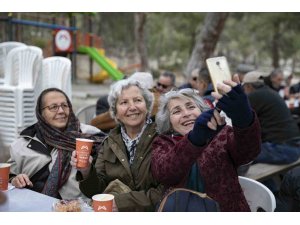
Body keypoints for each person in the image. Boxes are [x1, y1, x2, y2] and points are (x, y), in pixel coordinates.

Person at [151, 74, 261, 211]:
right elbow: (165, 174)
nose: (186, 113)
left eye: (191, 107)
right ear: (169, 122)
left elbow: (249, 152)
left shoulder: (220, 133)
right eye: (176, 111)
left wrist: (244, 117)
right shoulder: (162, 142)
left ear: (201, 110)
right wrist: (195, 139)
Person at [71, 79, 163, 211]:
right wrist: (86, 171)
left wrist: (122, 202)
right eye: (124, 102)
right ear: (116, 113)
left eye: (137, 100)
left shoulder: (162, 138)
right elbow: (95, 191)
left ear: (147, 106)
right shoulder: (110, 142)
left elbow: (166, 191)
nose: (132, 107)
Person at [7, 88, 106, 199]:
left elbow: (100, 188)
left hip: (75, 209)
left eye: (64, 105)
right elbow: (8, 175)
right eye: (53, 107)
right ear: (41, 113)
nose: (61, 111)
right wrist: (15, 179)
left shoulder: (91, 137)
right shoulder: (22, 144)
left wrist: (87, 171)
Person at [242, 71, 300, 165]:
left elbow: (240, 120)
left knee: (238, 154)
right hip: (294, 146)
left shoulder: (254, 96)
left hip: (282, 150)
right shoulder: (271, 92)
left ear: (248, 86)